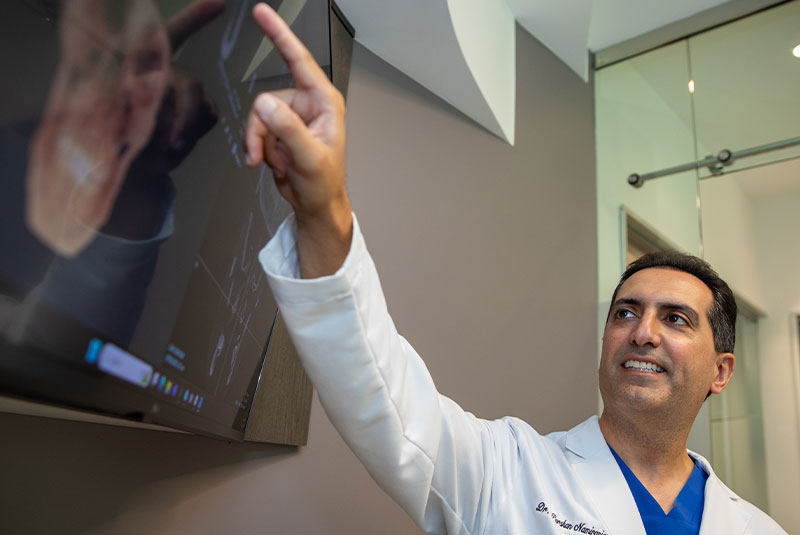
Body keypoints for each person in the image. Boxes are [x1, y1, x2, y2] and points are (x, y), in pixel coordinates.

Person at [243, 4, 787, 534]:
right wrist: (323, 211)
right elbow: (381, 391)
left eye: (676, 319)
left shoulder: (756, 527)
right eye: (626, 312)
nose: (642, 333)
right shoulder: (504, 470)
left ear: (721, 371)